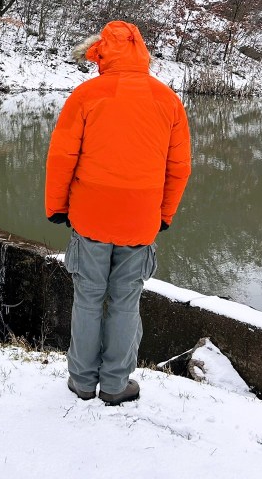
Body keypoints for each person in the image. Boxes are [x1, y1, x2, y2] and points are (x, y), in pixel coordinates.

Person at [45, 20, 191, 405]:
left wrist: (58, 207)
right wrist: (165, 214)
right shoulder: (168, 100)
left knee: (89, 299)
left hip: (91, 216)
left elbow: (62, 159)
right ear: (143, 53)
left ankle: (81, 382)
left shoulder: (87, 95)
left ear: (101, 53)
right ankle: (114, 385)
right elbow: (179, 168)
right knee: (126, 301)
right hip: (141, 219)